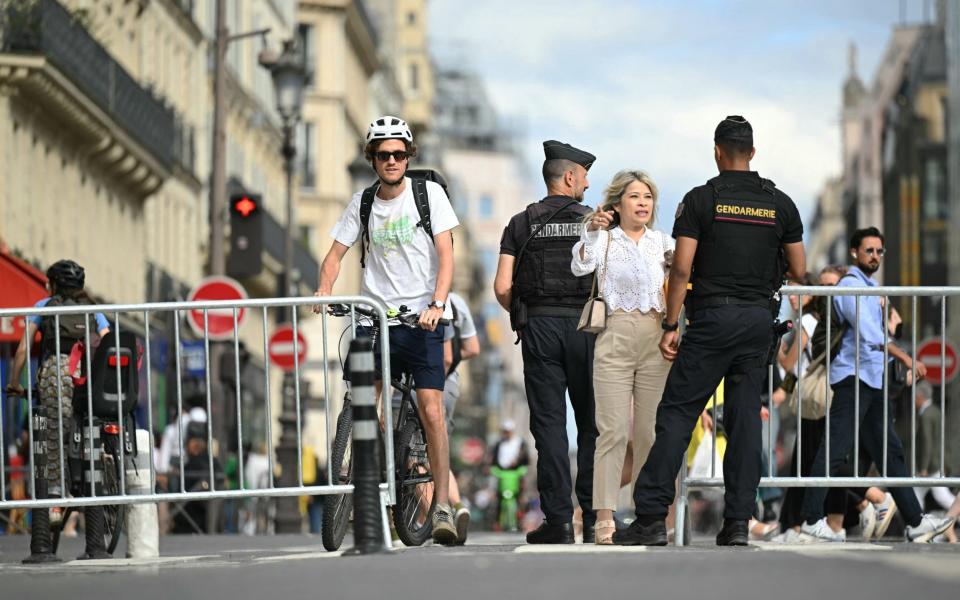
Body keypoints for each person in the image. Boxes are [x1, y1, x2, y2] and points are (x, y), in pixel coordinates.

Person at [613, 116, 806, 546]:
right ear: (752, 153)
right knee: (743, 424)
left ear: (717, 152)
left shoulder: (701, 200)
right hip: (758, 323)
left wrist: (670, 325)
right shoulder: (781, 204)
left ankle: (650, 518)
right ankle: (738, 522)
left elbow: (681, 268)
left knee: (677, 414)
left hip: (712, 320)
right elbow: (799, 268)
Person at [314, 115, 460, 544]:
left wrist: (437, 304)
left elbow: (446, 255)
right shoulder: (362, 202)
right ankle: (362, 480)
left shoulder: (427, 194)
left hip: (422, 317)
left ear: (408, 156)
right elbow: (334, 255)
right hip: (372, 315)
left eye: (398, 154)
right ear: (372, 160)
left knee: (432, 409)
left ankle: (443, 507)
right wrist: (324, 289)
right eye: (383, 155)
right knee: (362, 400)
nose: (392, 160)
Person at [799, 227, 955, 543]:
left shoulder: (871, 288)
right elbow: (871, 335)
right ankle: (811, 519)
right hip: (853, 378)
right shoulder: (850, 287)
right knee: (834, 451)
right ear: (855, 253)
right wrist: (908, 359)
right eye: (869, 250)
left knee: (890, 454)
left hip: (872, 379)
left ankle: (914, 521)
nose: (875, 256)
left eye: (879, 251)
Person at [494, 140, 599, 544]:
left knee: (550, 427)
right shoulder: (593, 221)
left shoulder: (521, 223)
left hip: (538, 328)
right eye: (584, 176)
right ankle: (592, 517)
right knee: (592, 424)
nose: (587, 185)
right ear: (569, 177)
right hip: (586, 329)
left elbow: (502, 285)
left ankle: (557, 521)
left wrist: (521, 314)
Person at [571, 169, 674, 544]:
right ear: (617, 203)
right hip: (614, 334)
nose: (643, 202)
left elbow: (679, 283)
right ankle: (603, 517)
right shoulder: (606, 240)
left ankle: (648, 516)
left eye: (647, 196)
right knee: (612, 431)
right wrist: (593, 230)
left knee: (648, 432)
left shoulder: (663, 242)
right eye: (634, 196)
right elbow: (580, 265)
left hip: (656, 339)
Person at [5, 260, 110, 515]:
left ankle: (54, 501)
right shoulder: (93, 309)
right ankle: (98, 478)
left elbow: (22, 350)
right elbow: (107, 342)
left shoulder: (44, 306)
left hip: (56, 375)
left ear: (54, 285)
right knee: (88, 428)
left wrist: (14, 383)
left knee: (54, 433)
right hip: (88, 374)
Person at [440, 291, 480, 544]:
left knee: (416, 458)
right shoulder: (457, 301)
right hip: (451, 383)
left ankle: (440, 520)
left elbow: (443, 356)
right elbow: (473, 348)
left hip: (420, 382)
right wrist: (454, 354)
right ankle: (457, 506)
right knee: (439, 451)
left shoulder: (412, 297)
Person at [911, 380, 956, 515]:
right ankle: (917, 525)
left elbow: (927, 442)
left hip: (930, 465)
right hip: (937, 461)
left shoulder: (925, 415)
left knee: (938, 496)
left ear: (920, 396)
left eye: (914, 398)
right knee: (935, 495)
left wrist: (923, 467)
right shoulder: (936, 411)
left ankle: (917, 525)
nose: (913, 402)